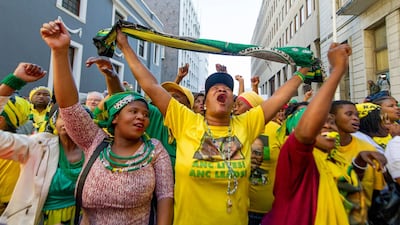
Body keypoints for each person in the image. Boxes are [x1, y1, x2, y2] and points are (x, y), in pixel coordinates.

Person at [114, 22, 312, 224]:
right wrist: (125, 47)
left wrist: (302, 72)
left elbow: (279, 98)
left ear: (234, 102)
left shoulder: (247, 123)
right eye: (214, 88)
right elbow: (151, 85)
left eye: (227, 88)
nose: (221, 90)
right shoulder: (186, 121)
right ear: (204, 102)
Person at [40, 19, 174, 225]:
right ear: (115, 117)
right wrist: (60, 52)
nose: (141, 117)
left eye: (146, 114)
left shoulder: (155, 150)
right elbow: (69, 107)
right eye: (134, 112)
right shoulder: (93, 142)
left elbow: (165, 196)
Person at [261, 43, 386, 225]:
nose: (328, 126)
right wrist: (337, 70)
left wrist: (359, 163)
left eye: (331, 122)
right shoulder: (295, 159)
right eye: (320, 124)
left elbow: (343, 191)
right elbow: (305, 134)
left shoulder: (334, 159)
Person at [0, 63, 85, 225]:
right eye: (63, 116)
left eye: (76, 116)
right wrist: (14, 82)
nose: (69, 121)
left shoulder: (95, 151)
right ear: (53, 121)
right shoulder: (38, 146)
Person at [330, 100, 386, 208]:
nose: (355, 118)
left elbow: (377, 190)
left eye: (357, 115)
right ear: (332, 117)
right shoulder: (324, 149)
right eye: (349, 114)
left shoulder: (368, 147)